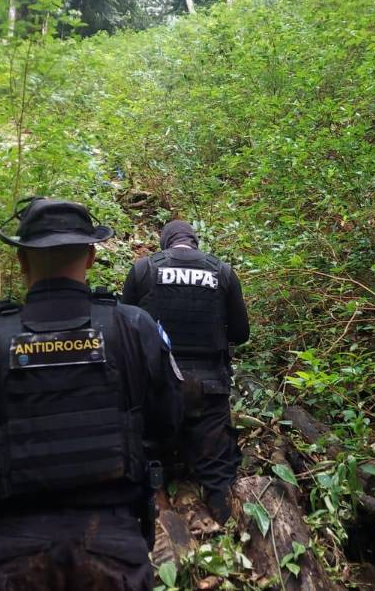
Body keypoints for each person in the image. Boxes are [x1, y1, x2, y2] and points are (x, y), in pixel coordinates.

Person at [0, 197, 182, 591]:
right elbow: (170, 424)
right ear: (91, 256)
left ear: (22, 261)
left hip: (12, 553)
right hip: (113, 547)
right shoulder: (135, 328)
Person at [121, 220, 249, 524]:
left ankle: (158, 522)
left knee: (150, 461)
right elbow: (241, 334)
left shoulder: (144, 270)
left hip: (157, 389)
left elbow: (124, 330)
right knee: (218, 473)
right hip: (210, 390)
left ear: (165, 243)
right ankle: (227, 525)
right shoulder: (222, 272)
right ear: (195, 242)